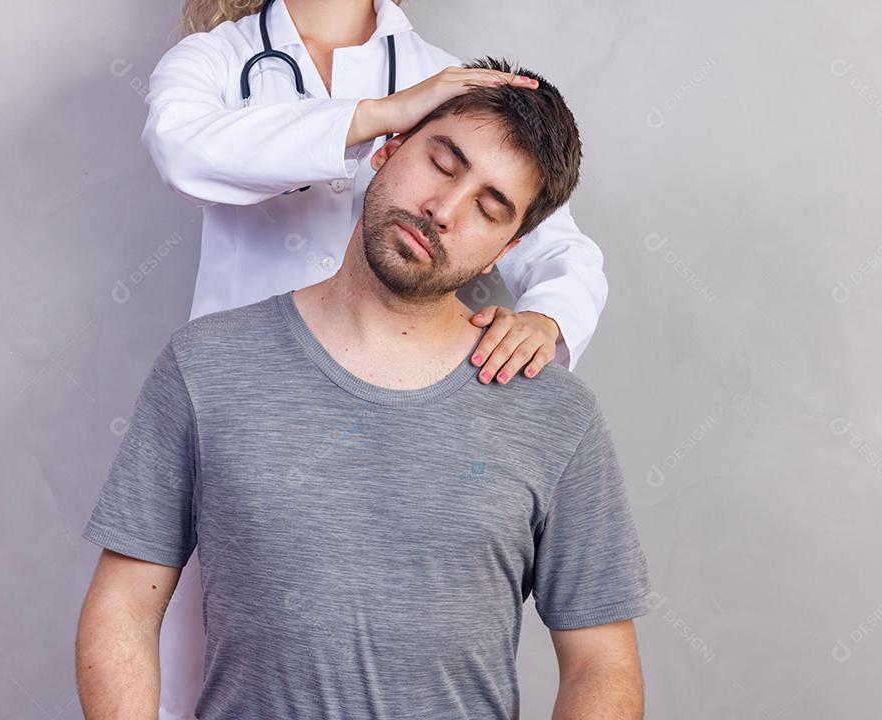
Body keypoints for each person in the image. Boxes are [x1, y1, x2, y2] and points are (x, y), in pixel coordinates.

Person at [77, 55, 654, 719]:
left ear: (505, 250)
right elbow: (124, 603)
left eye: (489, 208)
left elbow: (601, 666)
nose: (443, 210)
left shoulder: (555, 414)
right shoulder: (205, 366)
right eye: (442, 163)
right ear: (391, 147)